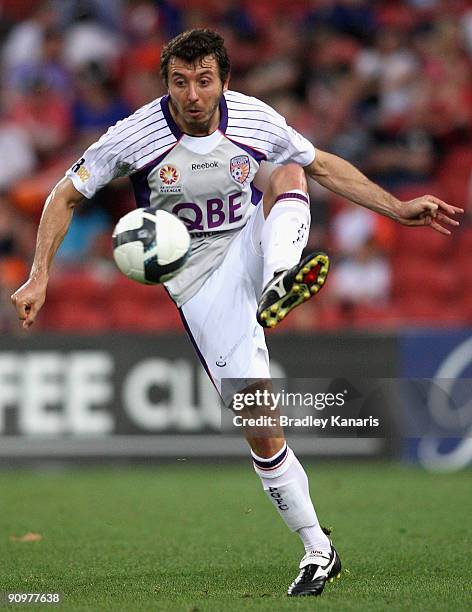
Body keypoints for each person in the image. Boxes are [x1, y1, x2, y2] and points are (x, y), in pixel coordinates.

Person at [11, 29, 463, 597]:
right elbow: (64, 194)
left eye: (204, 81)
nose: (193, 95)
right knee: (260, 423)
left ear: (224, 80)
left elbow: (321, 164)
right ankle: (319, 549)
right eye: (180, 82)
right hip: (198, 280)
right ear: (166, 85)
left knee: (288, 169)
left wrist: (397, 208)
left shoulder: (254, 119)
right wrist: (39, 274)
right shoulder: (136, 135)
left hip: (250, 240)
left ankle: (278, 280)